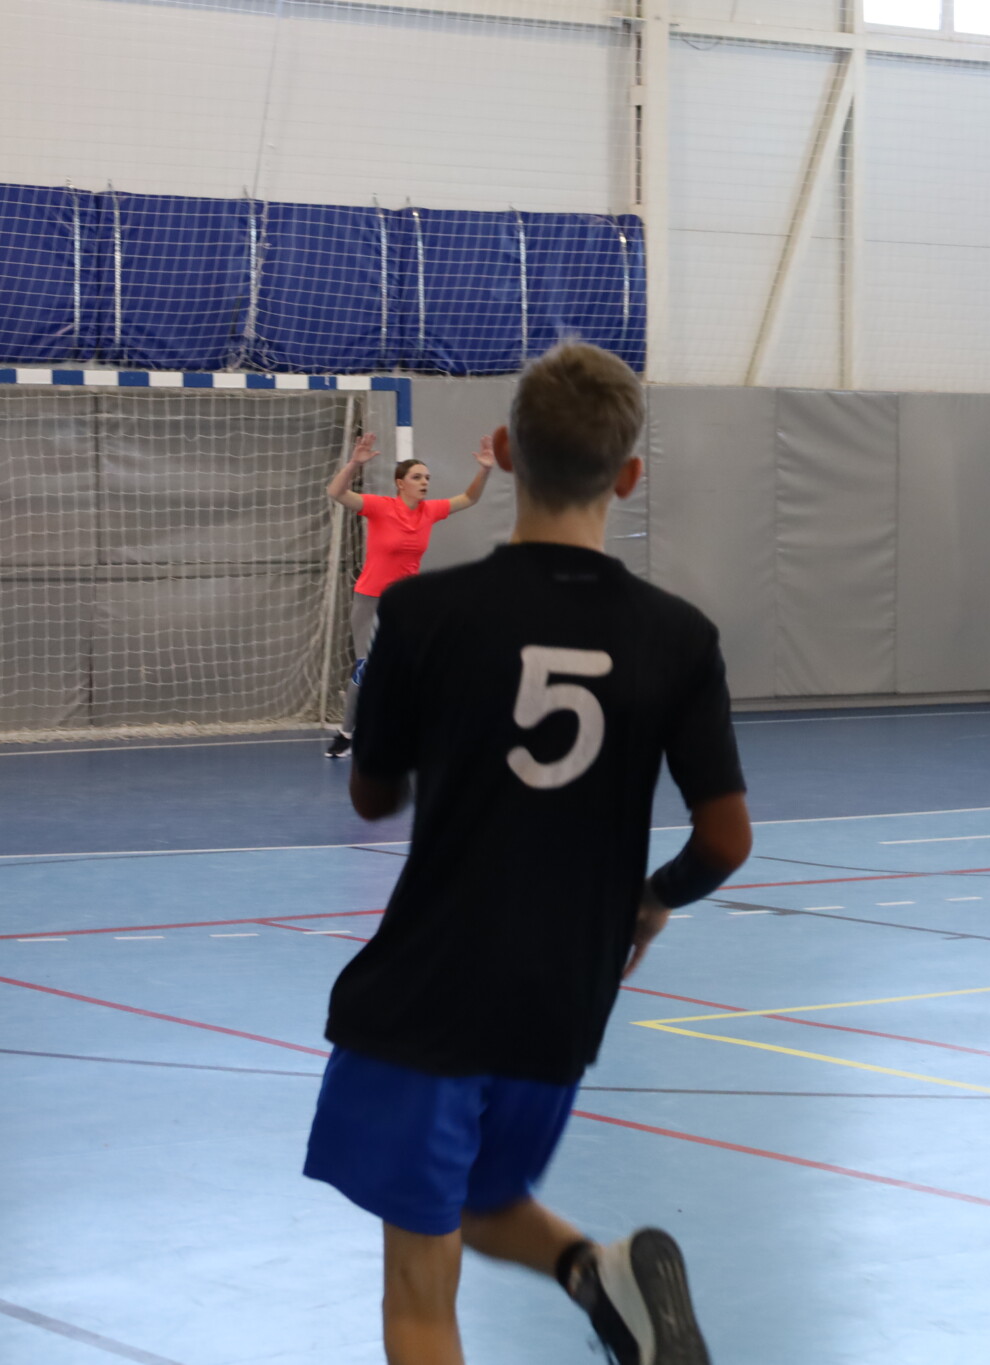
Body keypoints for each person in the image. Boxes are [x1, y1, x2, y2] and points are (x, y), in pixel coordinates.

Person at [303, 341, 752, 1365]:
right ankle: (599, 1273)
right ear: (628, 476)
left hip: (435, 982)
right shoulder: (679, 636)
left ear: (503, 453)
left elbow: (372, 797)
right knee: (478, 1198)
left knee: (420, 1293)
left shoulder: (424, 614)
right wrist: (651, 900)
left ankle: (602, 1272)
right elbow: (725, 840)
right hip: (564, 995)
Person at [323, 434, 495, 758]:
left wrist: (485, 470)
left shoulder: (430, 511)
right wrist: (355, 463)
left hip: (408, 604)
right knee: (366, 670)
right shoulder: (380, 507)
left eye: (427, 477)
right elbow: (335, 492)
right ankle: (346, 733)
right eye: (417, 477)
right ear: (400, 483)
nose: (425, 482)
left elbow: (469, 498)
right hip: (371, 600)